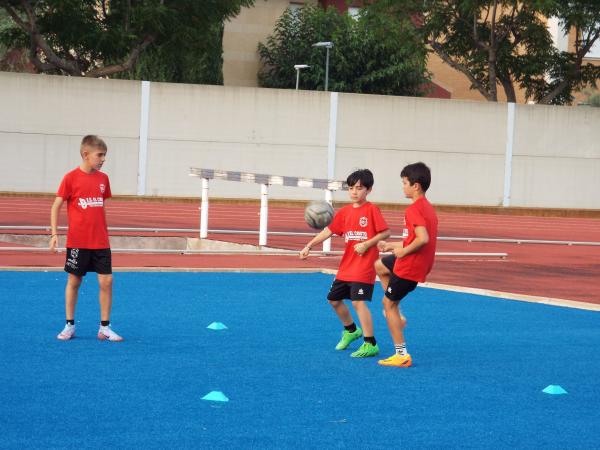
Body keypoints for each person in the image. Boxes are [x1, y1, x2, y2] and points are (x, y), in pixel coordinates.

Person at [300, 169, 390, 357]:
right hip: (346, 267)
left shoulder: (372, 210)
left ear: (369, 190)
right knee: (333, 300)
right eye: (351, 188)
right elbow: (328, 231)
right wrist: (309, 245)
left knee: (358, 302)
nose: (354, 192)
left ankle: (370, 343)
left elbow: (385, 233)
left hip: (364, 267)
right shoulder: (345, 212)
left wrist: (366, 244)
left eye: (359, 188)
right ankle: (351, 330)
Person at [50, 135, 123, 342]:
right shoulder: (70, 178)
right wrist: (55, 234)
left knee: (107, 281)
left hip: (100, 241)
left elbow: (100, 207)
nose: (103, 159)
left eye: (104, 155)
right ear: (86, 154)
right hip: (78, 242)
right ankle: (69, 325)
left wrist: (103, 230)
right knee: (74, 280)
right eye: (100, 155)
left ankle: (105, 328)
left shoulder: (103, 179)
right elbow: (56, 206)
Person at [374, 162, 437, 367]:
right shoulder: (428, 208)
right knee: (380, 266)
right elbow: (414, 239)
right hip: (416, 261)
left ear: (415, 186)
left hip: (410, 265)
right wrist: (391, 246)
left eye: (404, 183)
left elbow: (423, 238)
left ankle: (402, 355)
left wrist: (402, 251)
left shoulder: (413, 210)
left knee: (387, 304)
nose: (403, 187)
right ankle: (397, 316)